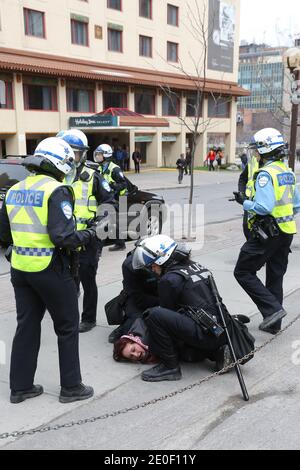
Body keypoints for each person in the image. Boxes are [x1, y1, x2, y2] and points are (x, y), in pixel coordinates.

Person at [0, 137, 98, 404]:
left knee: (26, 327)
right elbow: (63, 237)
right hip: (52, 269)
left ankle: (20, 388)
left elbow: (4, 234)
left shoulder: (15, 190)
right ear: (60, 163)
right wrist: (89, 234)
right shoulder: (57, 190)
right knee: (67, 327)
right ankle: (71, 387)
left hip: (21, 269)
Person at [128, 235, 234, 382]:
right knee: (188, 351)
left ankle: (170, 367)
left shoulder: (168, 280)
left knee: (155, 315)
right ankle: (217, 351)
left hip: (205, 332)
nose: (152, 269)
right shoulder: (197, 267)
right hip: (223, 329)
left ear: (163, 259)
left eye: (153, 265)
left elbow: (167, 316)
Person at [234, 128, 300, 335]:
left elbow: (264, 207)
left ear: (265, 150)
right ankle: (273, 324)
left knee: (243, 271)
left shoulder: (265, 174)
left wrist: (244, 202)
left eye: (257, 150)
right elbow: (297, 205)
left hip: (267, 233)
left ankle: (272, 309)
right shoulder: (287, 172)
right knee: (275, 276)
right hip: (286, 232)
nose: (255, 154)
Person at [58, 130, 115, 333]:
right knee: (68, 277)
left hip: (89, 237)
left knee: (87, 277)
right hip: (66, 237)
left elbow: (109, 203)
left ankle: (88, 318)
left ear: (83, 154)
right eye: (68, 152)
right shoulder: (57, 176)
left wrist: (99, 223)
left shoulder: (93, 175)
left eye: (76, 152)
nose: (72, 157)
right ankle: (69, 311)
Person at [108, 251, 159, 343]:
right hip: (138, 297)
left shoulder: (166, 259)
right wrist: (160, 303)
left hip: (160, 293)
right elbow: (138, 298)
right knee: (135, 325)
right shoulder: (130, 265)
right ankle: (124, 325)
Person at [94, 143, 128, 252]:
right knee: (111, 222)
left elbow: (124, 184)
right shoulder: (100, 168)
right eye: (97, 154)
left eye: (99, 154)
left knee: (107, 222)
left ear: (106, 155)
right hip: (108, 198)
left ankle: (98, 248)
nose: (97, 156)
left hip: (119, 198)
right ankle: (120, 244)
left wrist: (113, 186)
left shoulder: (115, 169)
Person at [235, 151, 262, 240]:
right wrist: (241, 193)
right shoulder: (252, 161)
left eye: (256, 149)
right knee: (247, 228)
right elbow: (242, 178)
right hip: (249, 204)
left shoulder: (272, 164)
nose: (254, 153)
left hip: (264, 206)